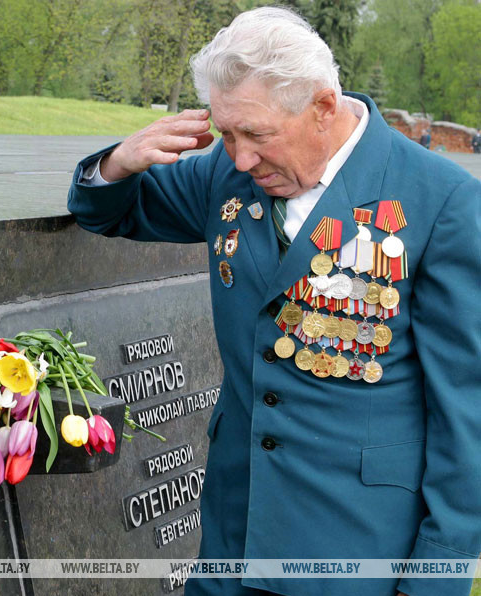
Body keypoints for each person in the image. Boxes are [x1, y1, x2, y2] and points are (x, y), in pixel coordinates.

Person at [67, 7, 480, 596]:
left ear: (322, 108)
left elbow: (467, 420)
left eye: (256, 135)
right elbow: (109, 209)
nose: (239, 157)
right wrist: (119, 163)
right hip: (232, 543)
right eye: (227, 133)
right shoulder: (228, 177)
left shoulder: (440, 203)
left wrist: (436, 576)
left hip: (355, 552)